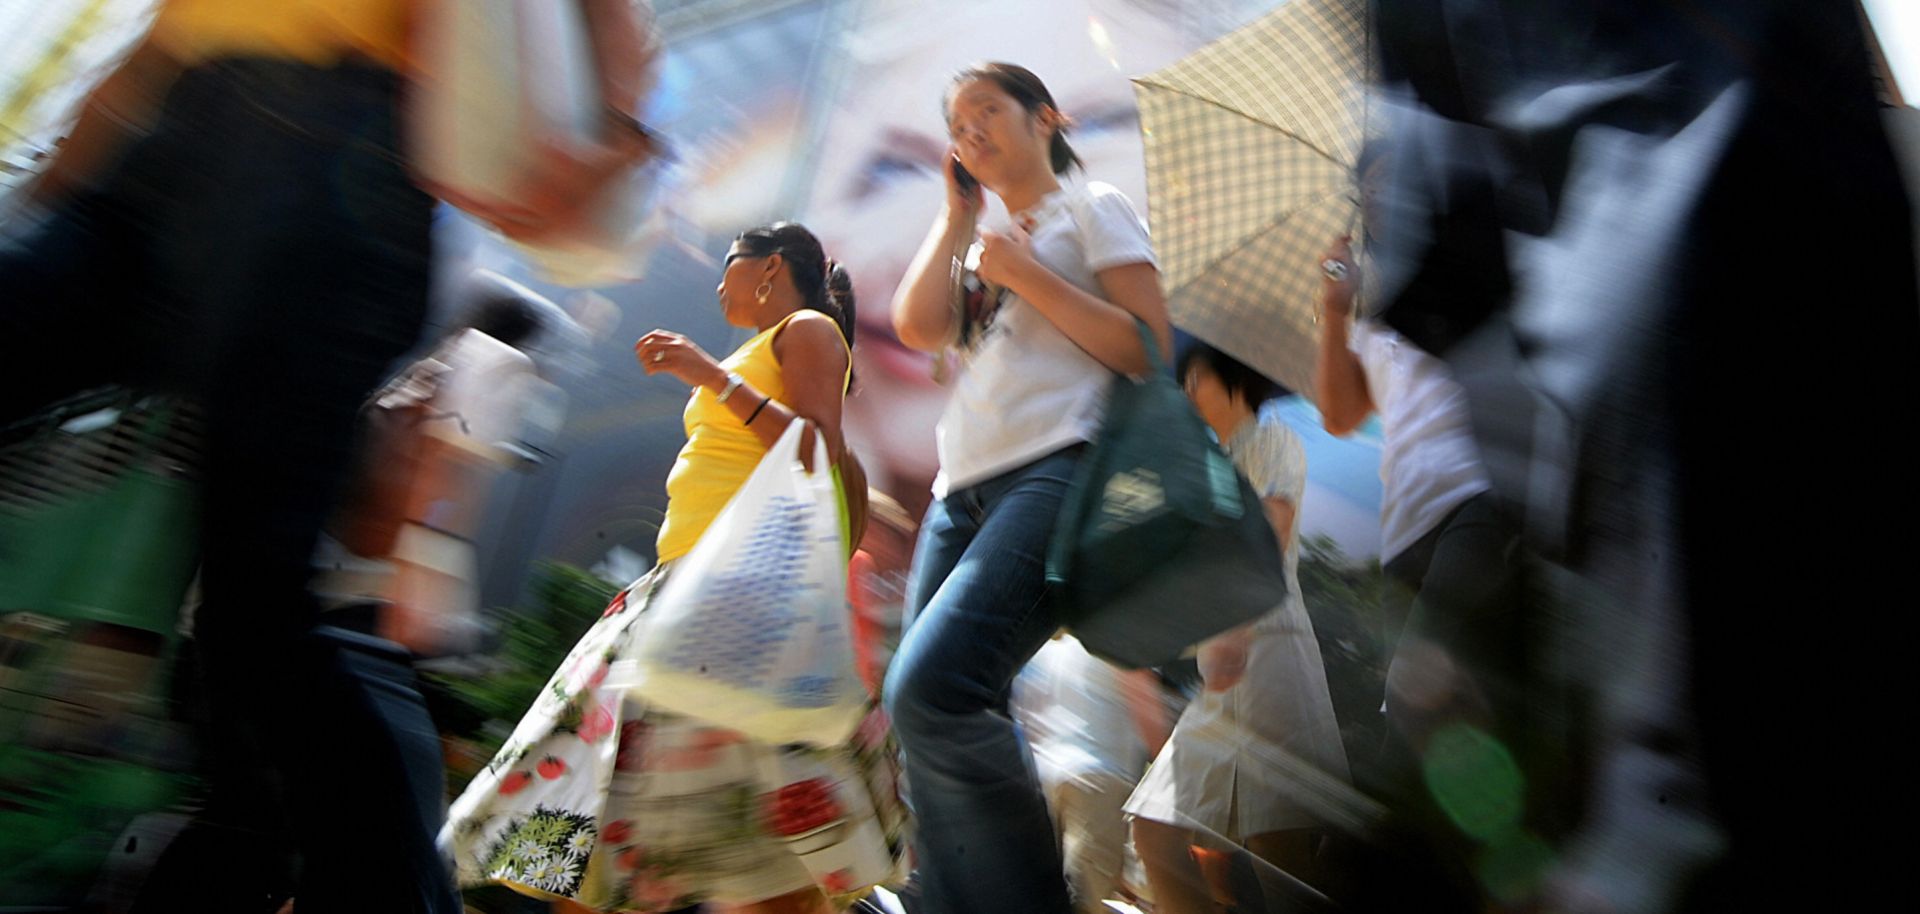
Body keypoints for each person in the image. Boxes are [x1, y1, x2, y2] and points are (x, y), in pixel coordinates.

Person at [0, 3, 657, 912]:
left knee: (256, 626)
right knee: (255, 632)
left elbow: (605, 39)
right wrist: (59, 191)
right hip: (173, 134)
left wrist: (613, 130)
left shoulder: (491, 371)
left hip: (339, 168)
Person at [442, 222, 906, 914]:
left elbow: (813, 451)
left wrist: (709, 376)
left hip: (732, 604)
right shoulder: (761, 346)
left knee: (735, 838)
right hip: (679, 590)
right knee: (607, 804)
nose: (720, 285)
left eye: (730, 266)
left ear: (771, 267)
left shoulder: (809, 330)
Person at [882, 61, 1170, 914]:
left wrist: (1028, 274)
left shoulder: (1095, 206)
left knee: (935, 689)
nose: (970, 131)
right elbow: (918, 325)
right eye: (958, 124)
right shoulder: (984, 238)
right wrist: (957, 216)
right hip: (958, 487)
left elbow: (1150, 349)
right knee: (922, 711)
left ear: (1045, 117)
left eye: (987, 112)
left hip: (1059, 467)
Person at [1125, 343, 1352, 910]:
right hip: (1220, 684)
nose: (1185, 394)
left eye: (1193, 380)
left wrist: (1233, 627)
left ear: (1232, 381)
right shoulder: (1208, 468)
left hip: (1269, 658)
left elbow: (1272, 525)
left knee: (1282, 860)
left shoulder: (1273, 440)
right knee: (1155, 831)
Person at [316, 272, 552, 658]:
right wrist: (423, 570)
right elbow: (447, 465)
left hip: (348, 523)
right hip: (391, 546)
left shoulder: (441, 358)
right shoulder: (501, 362)